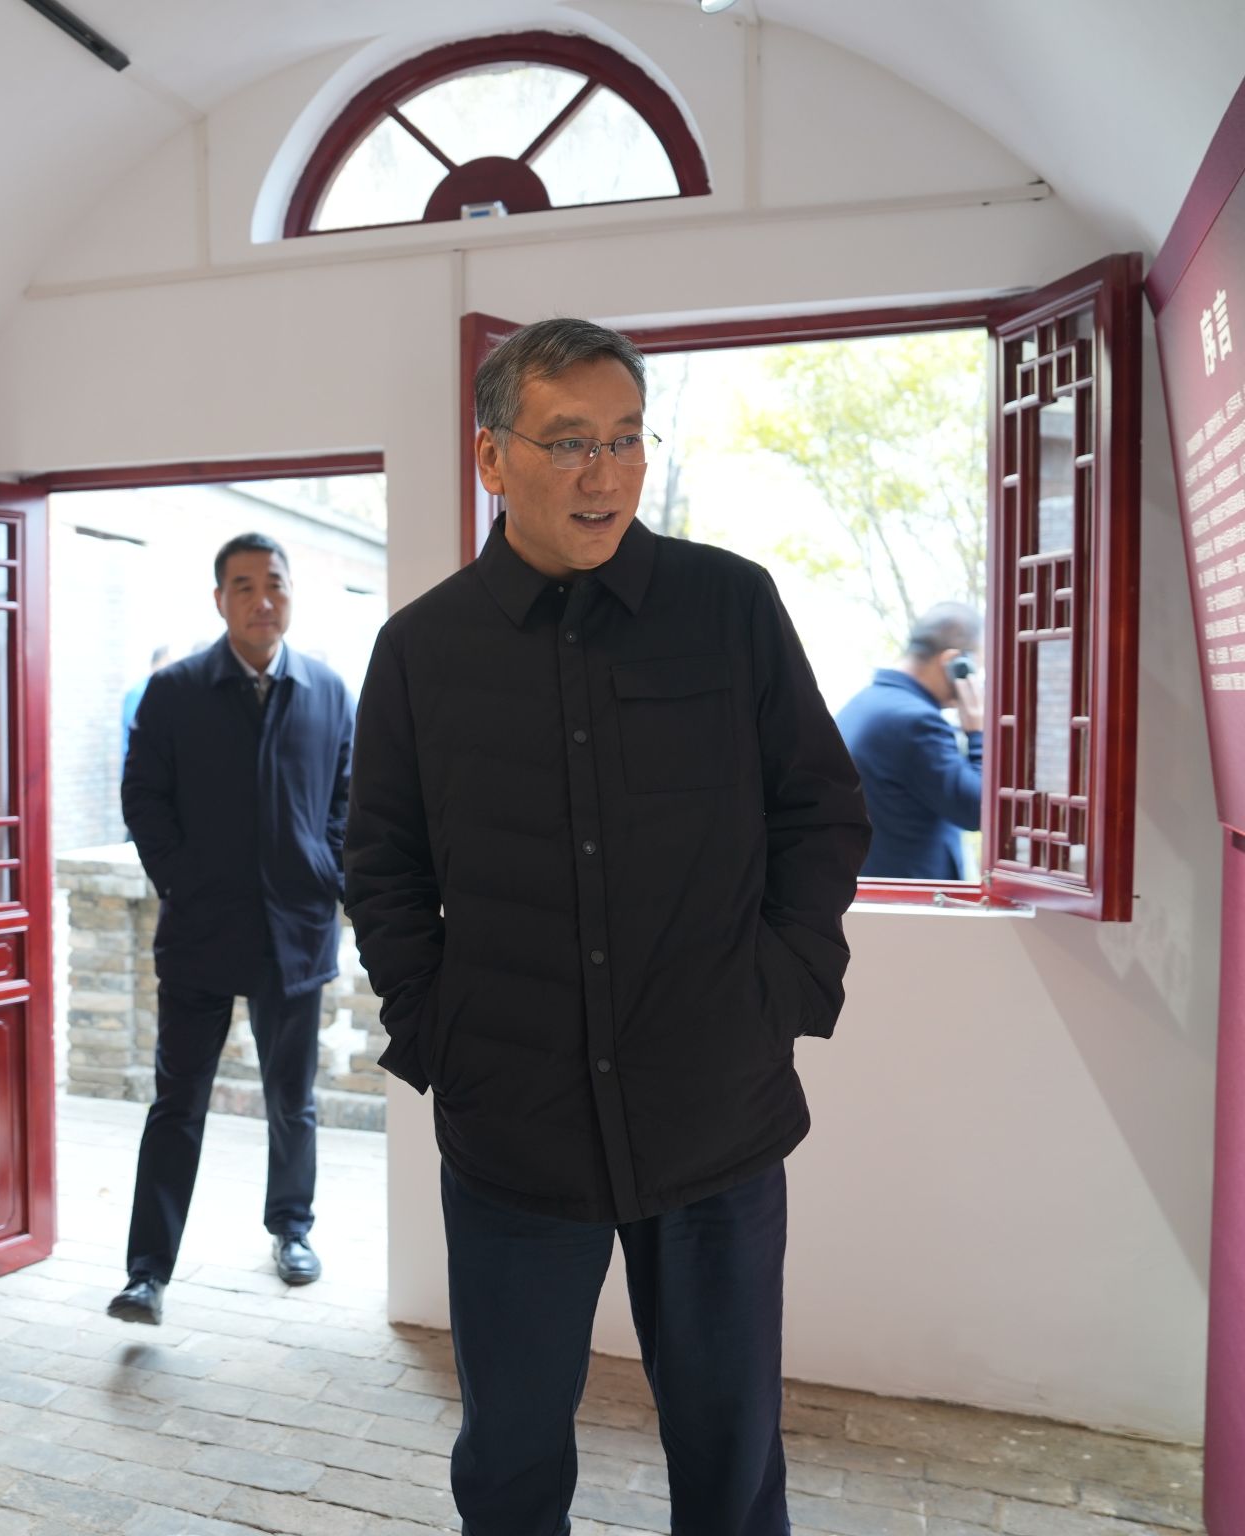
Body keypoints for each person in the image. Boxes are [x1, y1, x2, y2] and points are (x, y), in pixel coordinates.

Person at [345, 318, 869, 1535]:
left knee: (730, 1457)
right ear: (491, 458)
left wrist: (775, 995)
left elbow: (820, 811)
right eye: (568, 441)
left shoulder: (728, 606)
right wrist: (439, 1031)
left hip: (711, 1114)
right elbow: (381, 864)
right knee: (510, 1460)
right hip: (514, 1126)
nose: (603, 473)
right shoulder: (422, 650)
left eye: (625, 440)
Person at [108, 534, 353, 1324]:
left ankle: (292, 1229)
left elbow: (350, 795)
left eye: (273, 583)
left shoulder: (327, 691)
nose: (261, 600)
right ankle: (147, 1272)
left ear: (291, 593)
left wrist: (326, 868)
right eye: (243, 586)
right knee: (177, 1103)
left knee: (293, 1099)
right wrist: (181, 879)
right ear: (219, 600)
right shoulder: (175, 690)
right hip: (201, 931)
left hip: (297, 930)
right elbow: (142, 796)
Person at [835, 602, 984, 879]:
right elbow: (978, 809)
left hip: (872, 884)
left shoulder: (863, 703)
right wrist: (977, 733)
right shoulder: (916, 722)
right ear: (953, 662)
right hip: (911, 896)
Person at [120, 643, 172, 761]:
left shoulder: (164, 691)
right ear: (155, 665)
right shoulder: (138, 693)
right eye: (167, 663)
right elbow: (132, 729)